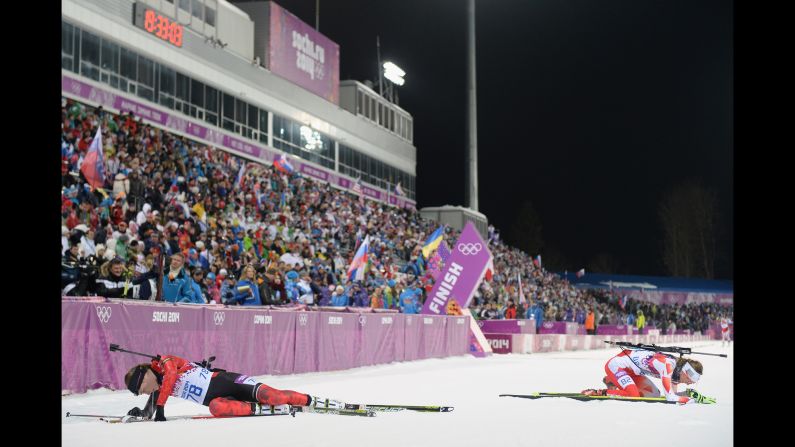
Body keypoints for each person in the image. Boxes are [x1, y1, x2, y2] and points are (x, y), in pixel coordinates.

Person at [124, 353, 346, 421]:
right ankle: (266, 409)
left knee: (275, 396)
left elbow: (171, 376)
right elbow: (150, 411)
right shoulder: (158, 389)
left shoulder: (165, 362)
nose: (143, 393)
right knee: (216, 408)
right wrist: (142, 412)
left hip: (229, 381)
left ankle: (314, 401)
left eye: (140, 388)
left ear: (144, 374)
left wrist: (161, 408)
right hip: (220, 398)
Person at [581, 348, 709, 405]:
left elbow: (674, 394)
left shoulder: (677, 370)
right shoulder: (668, 366)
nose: (687, 383)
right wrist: (692, 400)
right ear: (685, 373)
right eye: (689, 381)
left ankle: (613, 381)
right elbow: (671, 398)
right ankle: (598, 392)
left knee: (654, 395)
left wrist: (688, 393)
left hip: (633, 372)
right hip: (617, 366)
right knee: (633, 395)